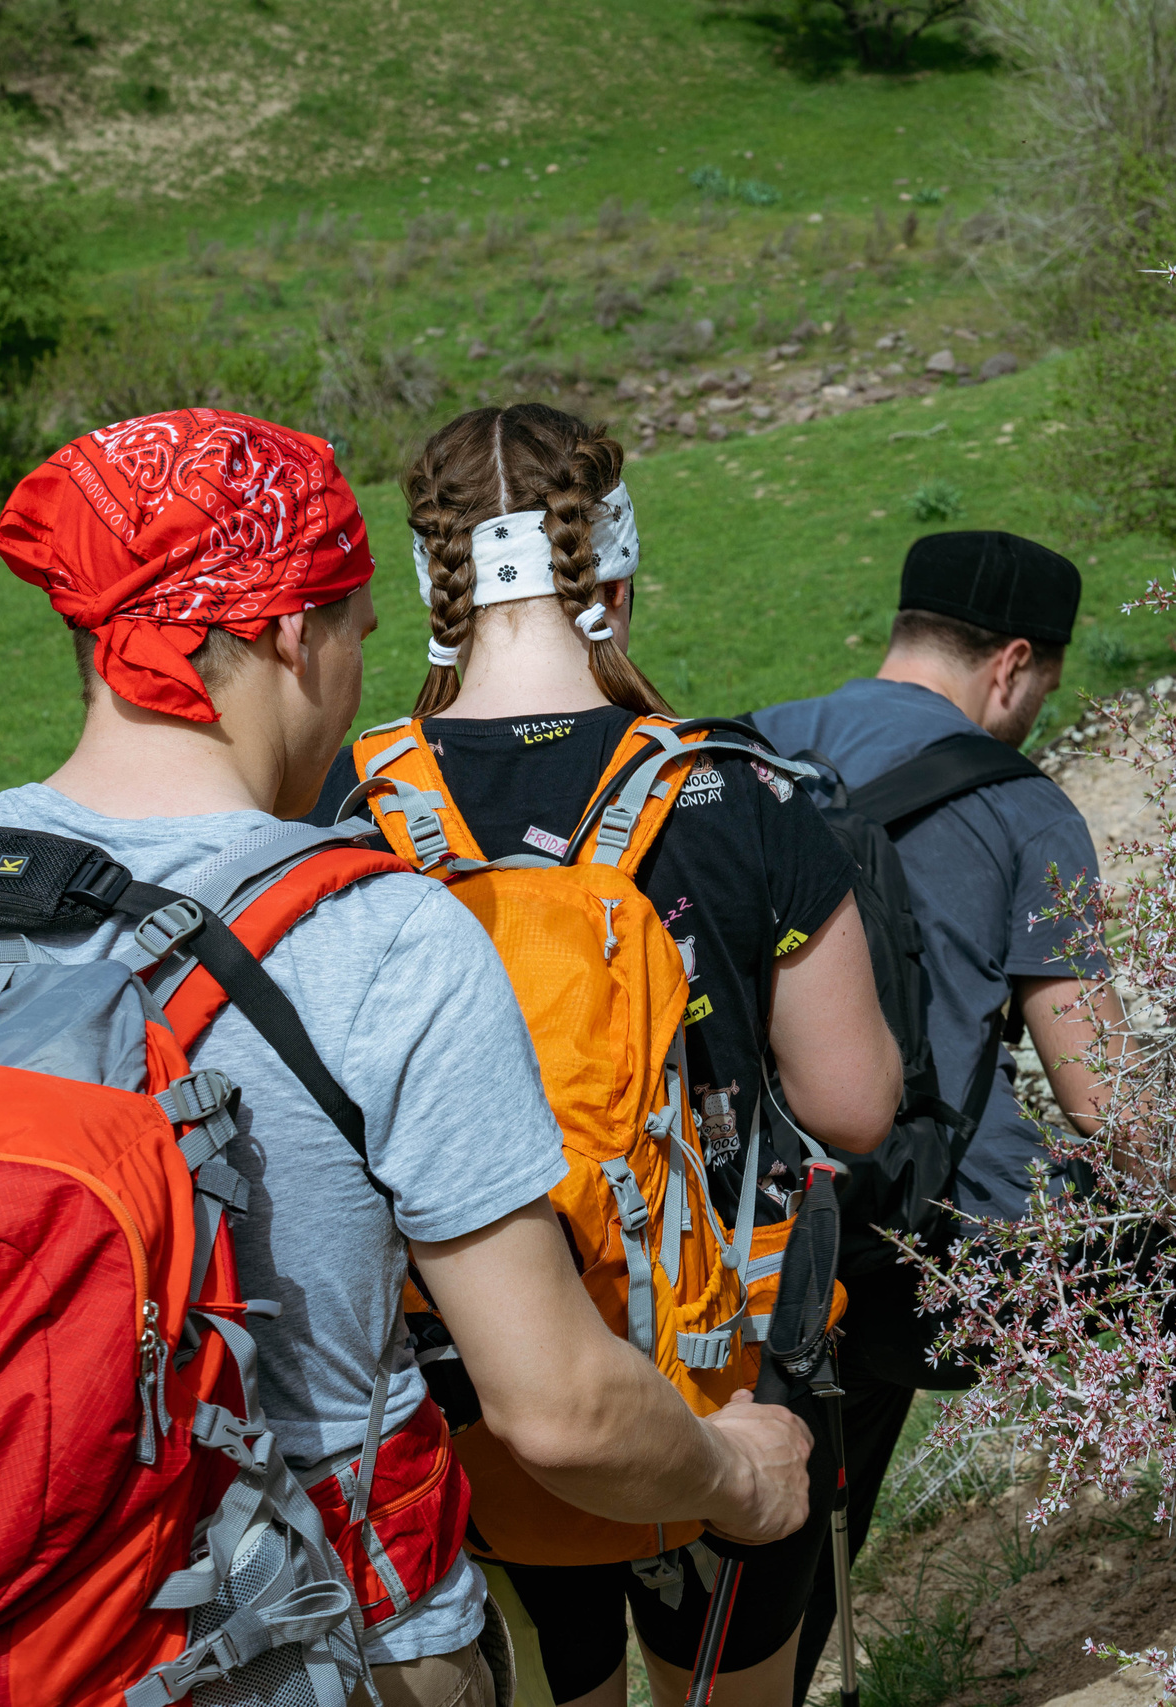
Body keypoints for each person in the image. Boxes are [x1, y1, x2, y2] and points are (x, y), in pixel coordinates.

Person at [0, 410, 813, 1707]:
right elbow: (559, 1408)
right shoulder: (379, 931)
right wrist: (738, 1467)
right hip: (293, 1646)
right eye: (354, 634)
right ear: (297, 636)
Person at [311, 403, 903, 1707]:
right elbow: (854, 1105)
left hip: (458, 1382)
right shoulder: (748, 794)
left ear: (435, 586)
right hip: (723, 1367)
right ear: (614, 573)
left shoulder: (343, 818)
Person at [751, 532, 1176, 1690]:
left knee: (814, 1453)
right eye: (1043, 687)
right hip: (949, 1251)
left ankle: (778, 1670)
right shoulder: (1019, 806)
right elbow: (1104, 1102)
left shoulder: (742, 747)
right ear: (1015, 665)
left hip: (764, 1241)